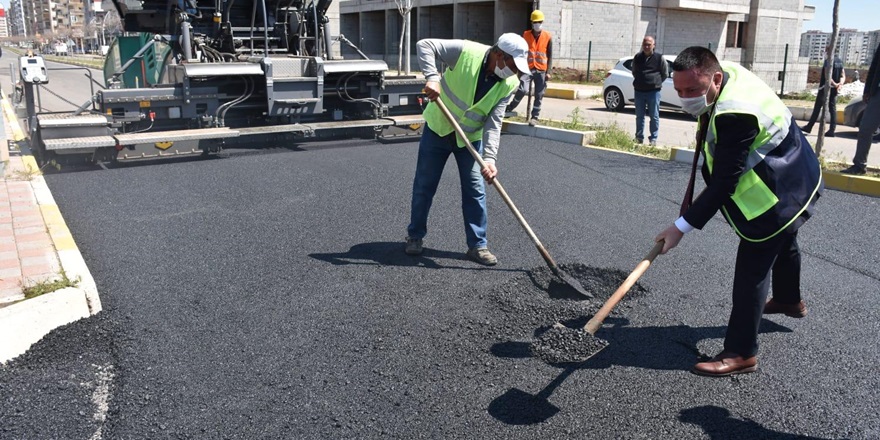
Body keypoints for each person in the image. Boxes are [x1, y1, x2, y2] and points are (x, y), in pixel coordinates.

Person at [654, 46, 823, 377]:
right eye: (679, 90)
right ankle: (790, 300)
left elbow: (723, 184)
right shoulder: (724, 72)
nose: (686, 98)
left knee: (752, 270)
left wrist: (680, 227)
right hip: (797, 167)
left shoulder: (735, 113)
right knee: (786, 238)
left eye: (693, 91)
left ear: (715, 78)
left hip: (779, 186)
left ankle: (741, 352)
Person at [405, 34, 530, 266]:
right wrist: (432, 78)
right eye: (513, 65)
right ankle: (415, 236)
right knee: (424, 185)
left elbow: (495, 122)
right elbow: (424, 44)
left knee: (475, 189)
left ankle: (477, 245)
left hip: (469, 140)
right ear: (499, 55)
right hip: (439, 128)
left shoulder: (510, 84)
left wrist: (490, 158)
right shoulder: (466, 52)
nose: (515, 72)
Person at [505, 9, 553, 126]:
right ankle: (510, 108)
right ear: (532, 23)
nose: (538, 24)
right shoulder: (526, 35)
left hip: (541, 70)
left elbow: (550, 55)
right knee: (523, 89)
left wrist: (549, 71)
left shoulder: (548, 36)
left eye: (540, 22)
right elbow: (521, 52)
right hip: (527, 69)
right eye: (536, 22)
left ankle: (534, 117)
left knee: (539, 94)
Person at [841, 41, 880, 175]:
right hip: (878, 94)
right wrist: (867, 90)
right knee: (866, 128)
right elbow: (874, 67)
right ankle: (859, 165)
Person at [632, 36, 668, 146]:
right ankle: (639, 137)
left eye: (649, 44)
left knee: (654, 116)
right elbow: (634, 71)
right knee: (639, 116)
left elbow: (665, 74)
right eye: (645, 44)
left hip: (654, 92)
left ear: (654, 45)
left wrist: (656, 82)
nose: (647, 46)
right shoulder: (637, 57)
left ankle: (653, 139)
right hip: (639, 91)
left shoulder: (659, 58)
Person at [802, 45, 845, 137]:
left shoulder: (828, 61)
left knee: (817, 108)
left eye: (826, 51)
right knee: (832, 109)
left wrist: (834, 84)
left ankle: (809, 127)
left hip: (824, 88)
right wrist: (839, 84)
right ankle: (832, 130)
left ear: (829, 51)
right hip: (834, 89)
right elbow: (842, 75)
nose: (825, 53)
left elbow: (827, 75)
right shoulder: (840, 61)